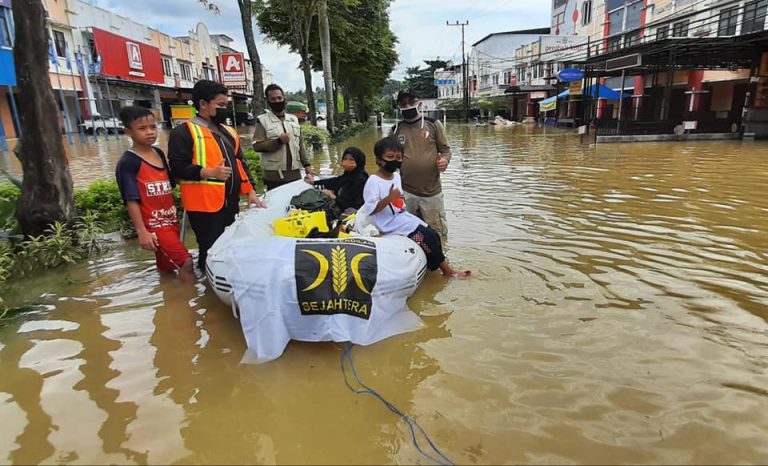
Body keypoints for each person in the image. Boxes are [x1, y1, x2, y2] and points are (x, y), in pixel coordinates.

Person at [168, 80, 265, 272]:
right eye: (220, 105)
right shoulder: (183, 132)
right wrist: (206, 172)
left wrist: (251, 191)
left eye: (226, 105)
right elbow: (177, 167)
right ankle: (207, 290)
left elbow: (241, 163)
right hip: (203, 206)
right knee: (210, 249)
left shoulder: (229, 131)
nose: (225, 110)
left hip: (230, 202)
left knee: (231, 245)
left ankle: (226, 280)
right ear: (203, 104)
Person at [363, 138, 469, 278]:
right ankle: (448, 271)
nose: (394, 161)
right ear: (379, 160)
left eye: (398, 158)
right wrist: (389, 198)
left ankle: (439, 264)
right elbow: (370, 209)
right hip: (387, 222)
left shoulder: (395, 176)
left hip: (400, 216)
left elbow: (399, 201)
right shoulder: (373, 181)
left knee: (433, 233)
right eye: (390, 157)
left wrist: (398, 201)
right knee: (427, 237)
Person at [115, 106, 195, 283]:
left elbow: (172, 183)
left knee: (167, 268)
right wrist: (142, 231)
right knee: (186, 263)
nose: (150, 132)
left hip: (171, 220)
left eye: (153, 127)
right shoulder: (128, 162)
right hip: (154, 226)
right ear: (128, 132)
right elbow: (131, 199)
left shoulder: (158, 153)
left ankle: (168, 303)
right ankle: (192, 306)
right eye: (142, 129)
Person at [390, 90, 451, 236]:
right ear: (398, 106)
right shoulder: (395, 130)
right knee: (411, 234)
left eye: (411, 102)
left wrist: (444, 161)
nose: (408, 106)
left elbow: (445, 150)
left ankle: (440, 258)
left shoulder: (433, 125)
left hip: (431, 192)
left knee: (438, 234)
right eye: (403, 104)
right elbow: (389, 159)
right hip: (406, 192)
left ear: (419, 103)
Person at [252, 84, 314, 190]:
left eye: (279, 98)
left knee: (296, 204)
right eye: (273, 99)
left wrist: (307, 165)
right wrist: (278, 142)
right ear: (268, 101)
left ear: (284, 98)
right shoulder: (262, 121)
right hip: (274, 177)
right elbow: (257, 146)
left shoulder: (293, 119)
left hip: (295, 175)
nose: (277, 101)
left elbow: (300, 145)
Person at [305, 146, 368, 212]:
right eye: (345, 159)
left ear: (359, 161)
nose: (347, 162)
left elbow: (357, 206)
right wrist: (314, 182)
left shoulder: (361, 181)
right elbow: (333, 181)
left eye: (351, 159)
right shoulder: (347, 176)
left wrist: (332, 196)